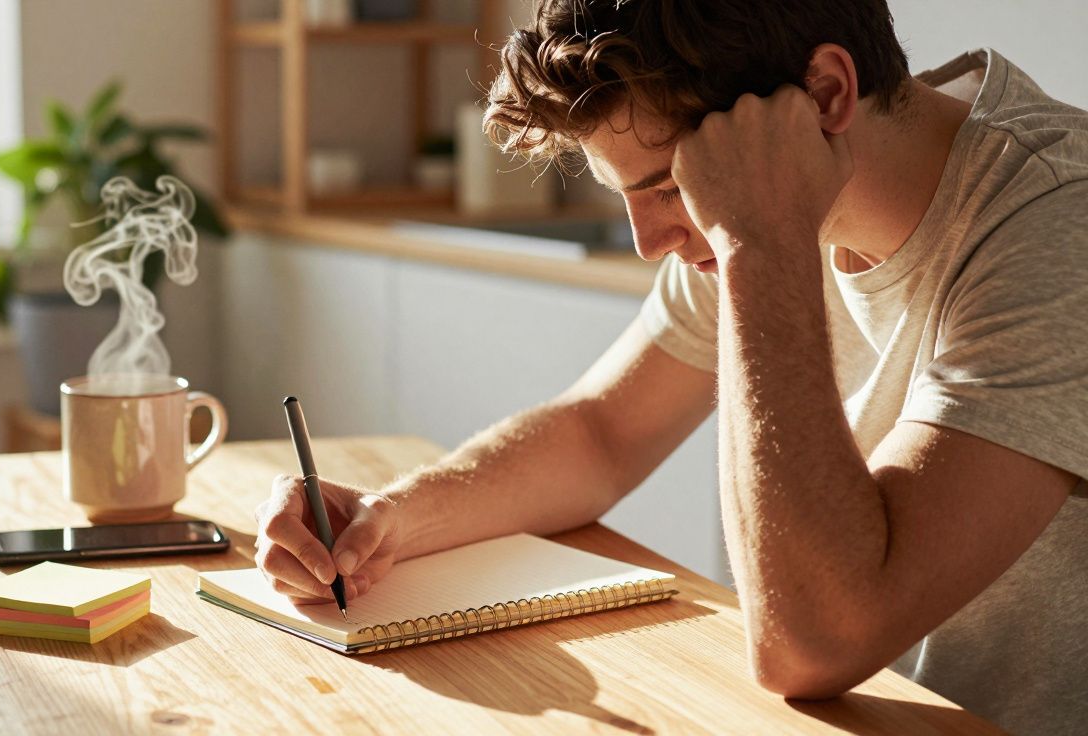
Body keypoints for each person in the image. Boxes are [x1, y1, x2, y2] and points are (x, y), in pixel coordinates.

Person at [253, 1, 1088, 732]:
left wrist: (759, 240)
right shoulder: (775, 182)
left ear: (828, 95)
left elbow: (815, 643)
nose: (649, 242)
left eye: (667, 187)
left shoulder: (1056, 228)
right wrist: (387, 520)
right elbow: (602, 432)